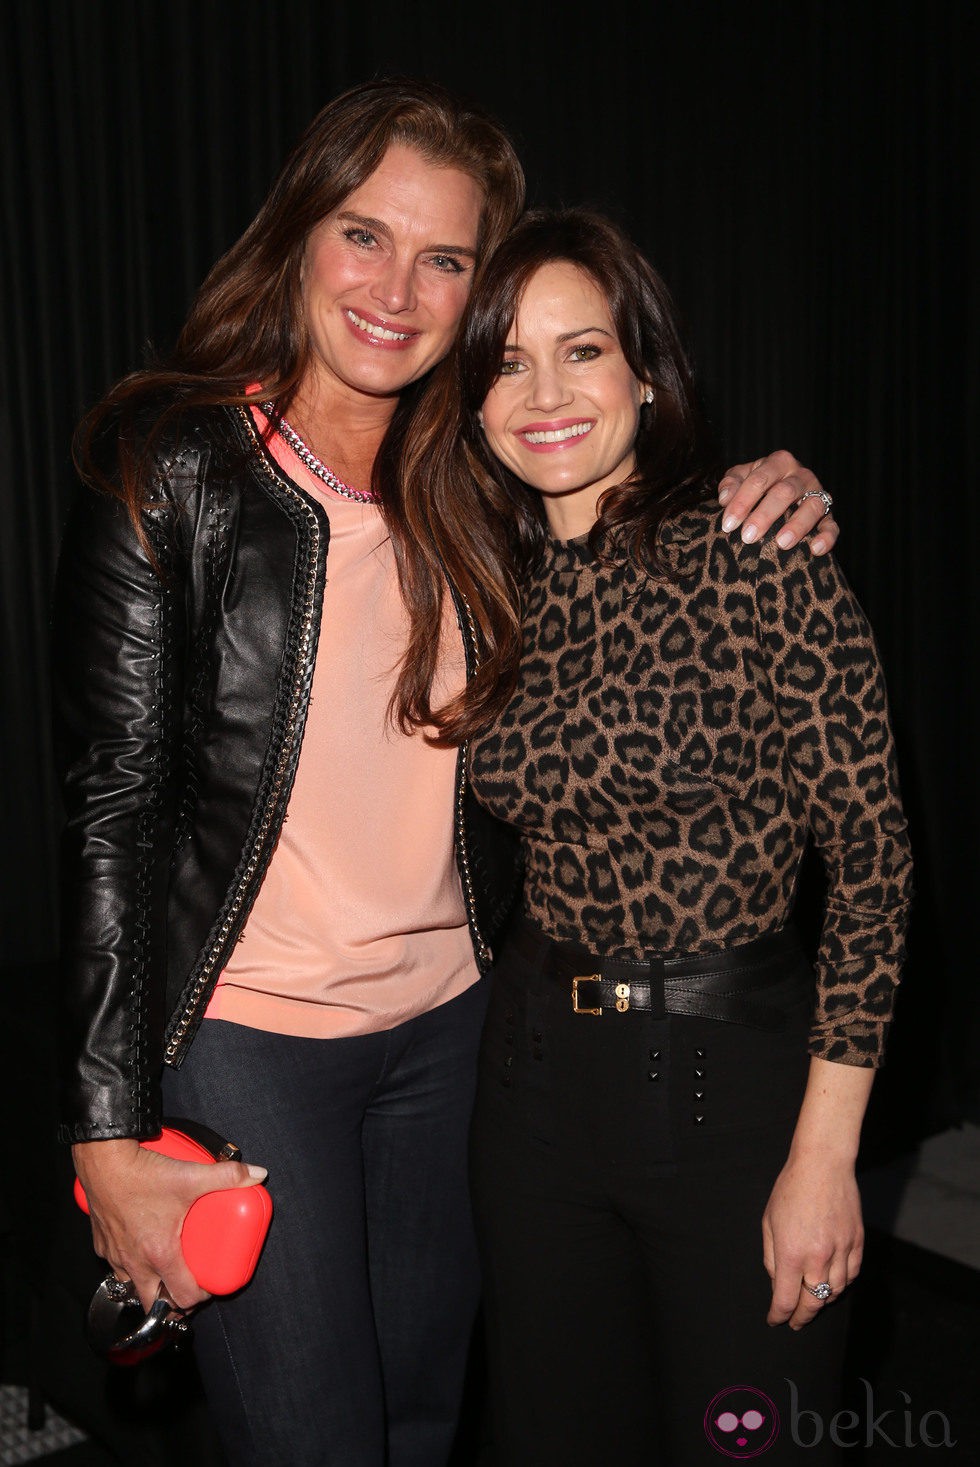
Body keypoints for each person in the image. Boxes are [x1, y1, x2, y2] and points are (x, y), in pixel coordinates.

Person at [54, 77, 839, 1467]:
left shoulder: (483, 478)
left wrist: (758, 486)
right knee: (315, 1439)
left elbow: (632, 506)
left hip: (460, 1041)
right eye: (364, 234)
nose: (395, 288)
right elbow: (112, 811)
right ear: (298, 233)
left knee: (426, 1423)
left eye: (446, 258)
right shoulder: (170, 465)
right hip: (253, 1039)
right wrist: (109, 1132)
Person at [395, 209, 912, 1466]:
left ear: (644, 370)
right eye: (507, 361)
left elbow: (874, 870)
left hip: (729, 1090)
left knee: (745, 1444)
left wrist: (823, 1157)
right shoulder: (491, 580)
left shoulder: (760, 556)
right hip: (528, 1093)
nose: (545, 393)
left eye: (581, 350)